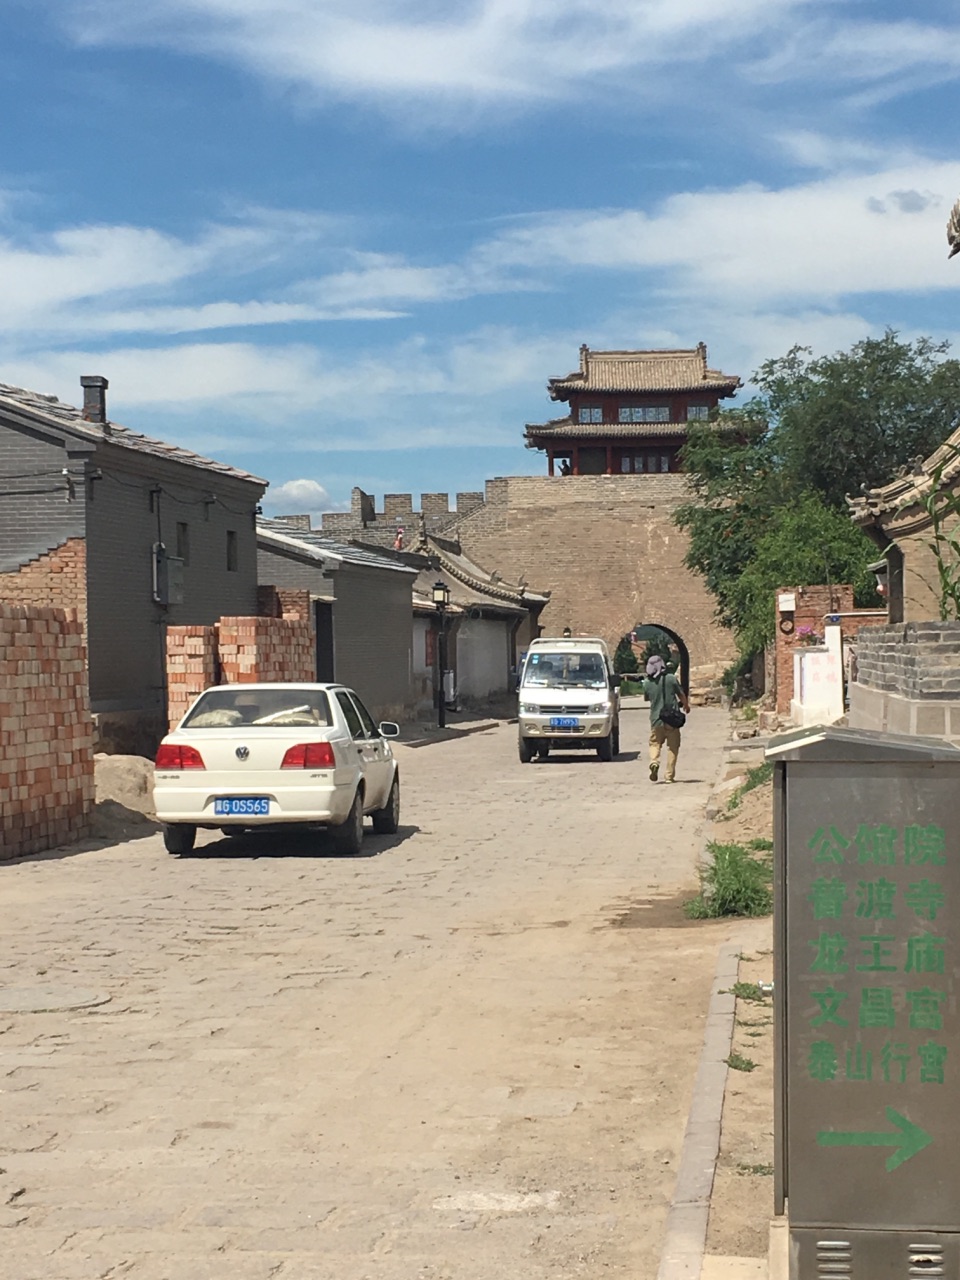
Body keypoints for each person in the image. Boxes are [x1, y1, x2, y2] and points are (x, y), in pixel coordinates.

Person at [642, 654, 690, 783]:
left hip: (656, 719)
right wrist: (686, 706)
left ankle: (654, 762)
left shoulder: (647, 683)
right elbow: (681, 694)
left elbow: (647, 698)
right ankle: (669, 776)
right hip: (672, 720)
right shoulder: (671, 679)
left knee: (655, 743)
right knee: (673, 747)